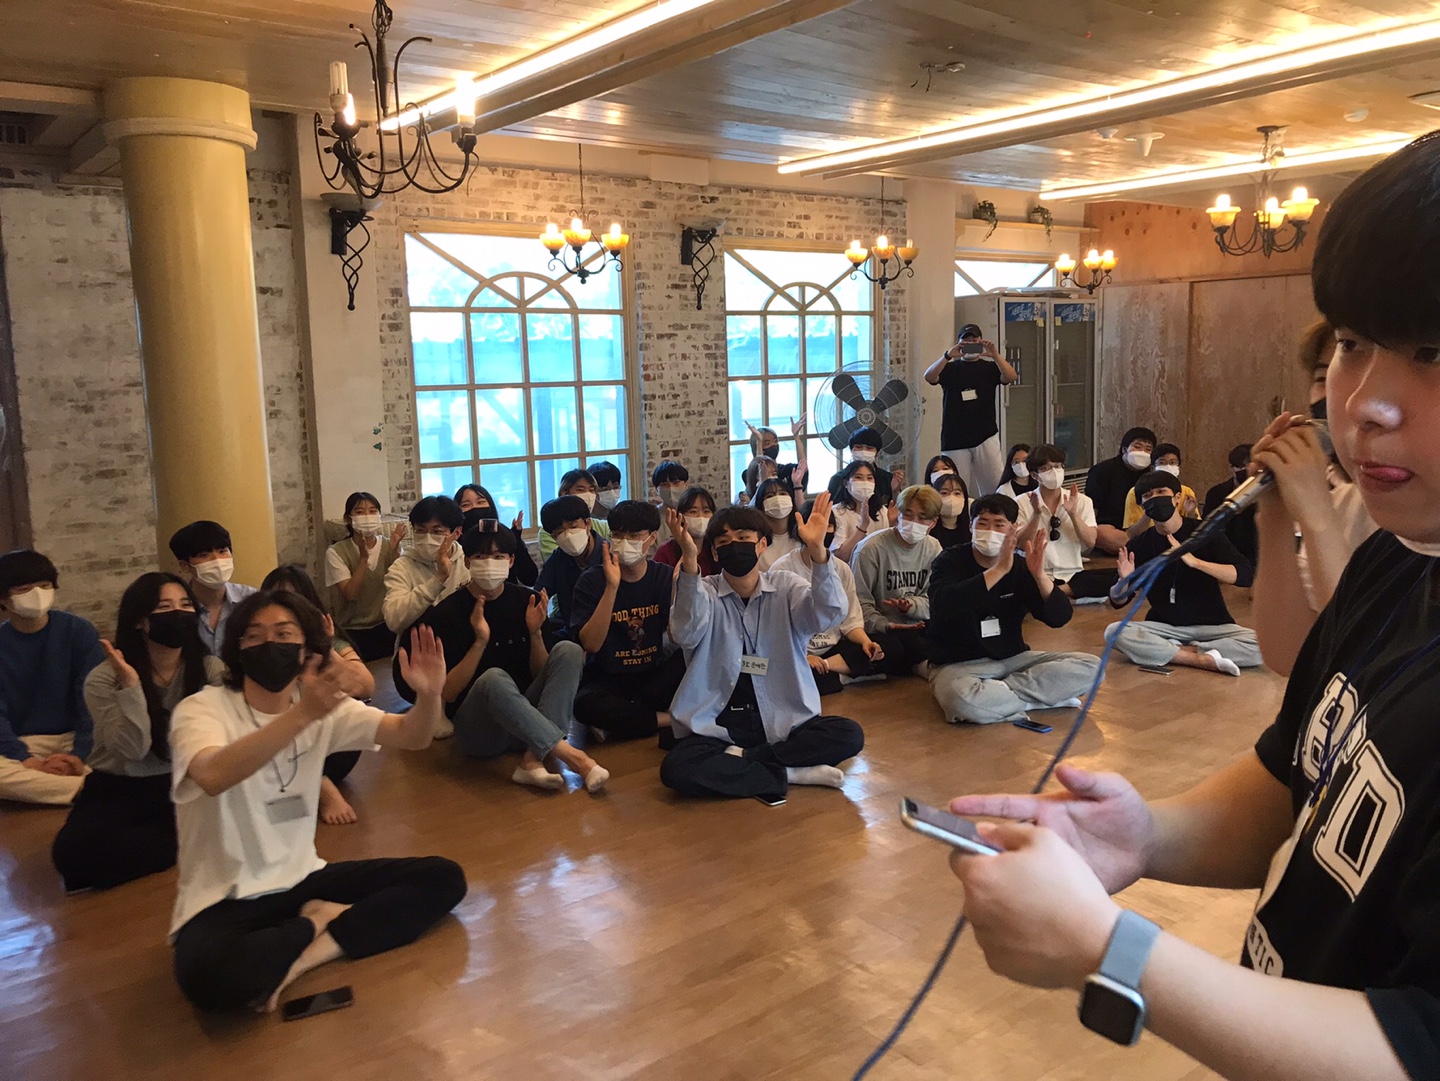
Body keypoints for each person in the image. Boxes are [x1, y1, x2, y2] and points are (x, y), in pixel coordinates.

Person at [945, 134, 1440, 1080]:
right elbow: (1296, 778)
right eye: (1353, 343)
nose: (1366, 402)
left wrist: (1112, 952)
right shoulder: (1399, 558)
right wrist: (1145, 836)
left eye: (1431, 353)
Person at [167, 591, 466, 1013]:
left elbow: (412, 736)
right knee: (209, 978)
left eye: (283, 634)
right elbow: (213, 775)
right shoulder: (202, 709)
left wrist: (430, 696)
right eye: (254, 636)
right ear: (236, 647)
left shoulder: (323, 709)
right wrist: (303, 714)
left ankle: (307, 949)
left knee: (443, 878)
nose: (269, 644)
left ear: (307, 648)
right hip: (226, 895)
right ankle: (318, 921)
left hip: (303, 878)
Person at [658, 496, 865, 802]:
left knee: (849, 734)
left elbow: (829, 614)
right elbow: (684, 634)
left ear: (762, 544)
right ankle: (791, 772)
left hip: (782, 715)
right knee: (677, 769)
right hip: (722, 721)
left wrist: (818, 552)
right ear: (714, 552)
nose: (734, 546)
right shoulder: (703, 591)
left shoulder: (785, 586)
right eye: (724, 542)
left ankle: (743, 760)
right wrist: (690, 560)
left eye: (743, 538)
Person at [393, 527, 608, 792]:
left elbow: (542, 674)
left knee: (569, 650)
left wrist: (535, 634)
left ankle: (532, 759)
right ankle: (577, 759)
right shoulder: (447, 614)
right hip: (481, 734)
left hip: (528, 724)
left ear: (511, 560)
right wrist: (480, 642)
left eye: (498, 557)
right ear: (468, 561)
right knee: (494, 678)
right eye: (481, 557)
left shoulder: (527, 601)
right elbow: (447, 693)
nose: (490, 564)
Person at [51, 573, 223, 892]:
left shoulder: (210, 670)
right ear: (140, 621)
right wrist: (131, 687)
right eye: (165, 607)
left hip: (184, 781)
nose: (178, 613)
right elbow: (132, 750)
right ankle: (183, 841)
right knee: (71, 856)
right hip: (120, 784)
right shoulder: (104, 679)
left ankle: (179, 840)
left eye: (185, 605)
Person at [1249, 322, 1379, 675]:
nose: (1353, 402)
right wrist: (1274, 515)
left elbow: (1370, 663)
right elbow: (1289, 655)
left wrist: (1317, 514)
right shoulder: (1347, 505)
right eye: (1324, 377)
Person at [926, 495, 1098, 724]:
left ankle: (999, 698)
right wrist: (998, 571)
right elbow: (943, 605)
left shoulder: (1021, 566)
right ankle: (1037, 700)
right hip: (960, 664)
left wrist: (1040, 576)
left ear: (1013, 529)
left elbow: (1059, 618)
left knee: (1093, 667)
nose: (990, 530)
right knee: (959, 698)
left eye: (999, 524)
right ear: (970, 526)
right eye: (982, 523)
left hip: (1013, 659)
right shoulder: (949, 560)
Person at [1106, 471, 1261, 676]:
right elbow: (1117, 601)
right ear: (1142, 505)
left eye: (1161, 492)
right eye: (1147, 496)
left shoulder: (1205, 533)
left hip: (1212, 626)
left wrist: (1196, 563)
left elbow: (1245, 575)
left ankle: (1173, 651)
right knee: (1113, 632)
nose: (1154, 499)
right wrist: (1124, 581)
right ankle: (1201, 658)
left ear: (1177, 497)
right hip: (1164, 627)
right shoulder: (1139, 544)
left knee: (1260, 645)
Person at [262, 564, 377, 819]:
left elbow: (366, 685)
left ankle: (320, 784)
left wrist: (326, 647)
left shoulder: (327, 636)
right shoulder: (262, 646)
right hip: (282, 748)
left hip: (330, 751)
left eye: (294, 598)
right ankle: (319, 788)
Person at [571, 501, 686, 744]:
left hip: (652, 673)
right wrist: (612, 587)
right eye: (617, 535)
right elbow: (591, 644)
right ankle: (667, 719)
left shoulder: (663, 576)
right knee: (583, 704)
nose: (624, 542)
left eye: (634, 536)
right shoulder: (591, 580)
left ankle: (627, 721)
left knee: (691, 657)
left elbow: (677, 636)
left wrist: (681, 588)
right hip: (608, 677)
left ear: (652, 538)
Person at [0, 550, 103, 805]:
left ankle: (51, 787)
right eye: (24, 589)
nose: (37, 594)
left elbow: (91, 700)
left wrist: (78, 755)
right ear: (3, 598)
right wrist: (27, 761)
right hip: (24, 742)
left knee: (123, 754)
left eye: (45, 586)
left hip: (78, 737)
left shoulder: (78, 631)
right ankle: (89, 789)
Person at [772, 499, 885, 695]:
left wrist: (866, 642)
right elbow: (776, 629)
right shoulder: (781, 569)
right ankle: (842, 675)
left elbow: (850, 621)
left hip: (832, 649)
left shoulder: (841, 568)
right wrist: (804, 656)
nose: (824, 530)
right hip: (797, 650)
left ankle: (827, 669)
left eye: (828, 525)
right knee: (785, 673)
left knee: (888, 647)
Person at [850, 485, 943, 677]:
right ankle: (924, 665)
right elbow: (858, 604)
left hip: (919, 623)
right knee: (896, 647)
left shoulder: (933, 548)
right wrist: (886, 624)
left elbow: (935, 599)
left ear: (933, 523)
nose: (914, 522)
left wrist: (910, 606)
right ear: (898, 514)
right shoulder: (871, 548)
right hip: (882, 628)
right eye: (908, 514)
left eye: (922, 517)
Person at [923, 322, 1018, 496]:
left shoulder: (989, 368)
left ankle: (990, 511)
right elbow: (929, 377)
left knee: (994, 485)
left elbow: (1011, 376)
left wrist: (995, 355)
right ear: (959, 343)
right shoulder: (950, 368)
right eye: (966, 341)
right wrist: (948, 355)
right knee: (954, 487)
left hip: (985, 434)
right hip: (954, 438)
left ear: (981, 341)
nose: (970, 344)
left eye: (974, 341)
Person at [1014, 444, 1114, 600]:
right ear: (1034, 475)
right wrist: (1036, 514)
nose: (1054, 471)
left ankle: (1057, 592)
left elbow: (1090, 541)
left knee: (1113, 577)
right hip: (1038, 573)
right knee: (1020, 583)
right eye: (1046, 468)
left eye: (1058, 466)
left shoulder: (1082, 501)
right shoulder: (1021, 502)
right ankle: (1062, 593)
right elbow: (1021, 544)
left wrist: (1073, 514)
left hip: (1072, 574)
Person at [324, 491, 406, 662]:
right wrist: (363, 559)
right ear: (348, 519)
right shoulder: (336, 552)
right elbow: (351, 594)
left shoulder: (389, 544)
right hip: (354, 631)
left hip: (387, 627)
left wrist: (394, 552)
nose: (367, 516)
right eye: (360, 512)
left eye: (373, 511)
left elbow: (401, 586)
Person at [168, 521, 257, 656]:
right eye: (204, 555)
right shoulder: (177, 609)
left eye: (222, 551)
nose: (217, 560)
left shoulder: (251, 600)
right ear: (185, 565)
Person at [382, 496, 468, 634]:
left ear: (456, 533)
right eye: (420, 530)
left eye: (437, 531)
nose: (428, 538)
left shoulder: (468, 561)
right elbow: (393, 621)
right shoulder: (402, 567)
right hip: (416, 643)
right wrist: (438, 580)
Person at [536, 494, 607, 628]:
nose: (568, 535)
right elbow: (539, 594)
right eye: (560, 532)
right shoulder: (557, 560)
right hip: (570, 630)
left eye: (573, 526)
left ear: (588, 523)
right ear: (553, 537)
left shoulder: (610, 556)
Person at [1085, 427, 1157, 554]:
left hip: (1144, 527)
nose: (1143, 452)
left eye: (1148, 449)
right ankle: (1143, 548)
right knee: (1102, 533)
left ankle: (1138, 548)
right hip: (1112, 529)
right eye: (1137, 447)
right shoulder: (1102, 471)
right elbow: (1091, 509)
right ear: (1124, 449)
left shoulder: (1154, 474)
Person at [454, 483, 539, 586]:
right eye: (465, 505)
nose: (475, 507)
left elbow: (530, 578)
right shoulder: (454, 545)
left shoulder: (503, 537)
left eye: (480, 502)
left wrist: (515, 539)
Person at [1202, 445, 1259, 568]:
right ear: (1232, 468)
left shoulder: (1265, 495)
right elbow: (1208, 528)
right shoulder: (1216, 493)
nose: (1247, 470)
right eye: (1241, 467)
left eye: (1250, 466)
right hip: (1225, 559)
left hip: (1257, 559)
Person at [1122, 443, 1201, 529]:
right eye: (1162, 462)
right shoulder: (1137, 492)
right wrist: (1149, 511)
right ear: (1152, 468)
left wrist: (1191, 512)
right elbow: (1132, 533)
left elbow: (1196, 529)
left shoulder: (1186, 492)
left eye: (1172, 462)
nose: (1168, 466)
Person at [538, 469, 611, 558]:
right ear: (564, 493)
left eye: (591, 490)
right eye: (581, 490)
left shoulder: (603, 526)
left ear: (587, 523)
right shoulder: (549, 530)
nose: (588, 495)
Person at [829, 460, 888, 564]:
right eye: (858, 477)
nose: (865, 482)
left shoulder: (882, 511)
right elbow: (841, 556)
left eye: (869, 478)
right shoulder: (836, 512)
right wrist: (863, 526)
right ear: (846, 483)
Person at [826, 427, 903, 505]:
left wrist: (895, 491)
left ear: (877, 453)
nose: (863, 451)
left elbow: (897, 509)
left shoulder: (888, 479)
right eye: (858, 447)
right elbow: (830, 508)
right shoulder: (837, 479)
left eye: (869, 448)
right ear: (851, 450)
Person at [655, 486, 720, 576]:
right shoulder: (666, 551)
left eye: (706, 511)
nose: (700, 516)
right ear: (681, 517)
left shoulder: (715, 547)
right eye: (693, 512)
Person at [746, 417, 809, 491]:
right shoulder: (748, 474)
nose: (773, 445)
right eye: (767, 443)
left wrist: (796, 436)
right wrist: (759, 441)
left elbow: (802, 468)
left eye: (775, 441)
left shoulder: (784, 470)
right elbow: (760, 472)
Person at [754, 476, 803, 570]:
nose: (777, 499)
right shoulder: (756, 540)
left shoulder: (802, 535)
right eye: (770, 496)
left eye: (782, 493)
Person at [928, 463, 972, 549]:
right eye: (944, 493)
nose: (951, 498)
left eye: (957, 493)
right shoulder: (928, 530)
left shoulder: (971, 530)